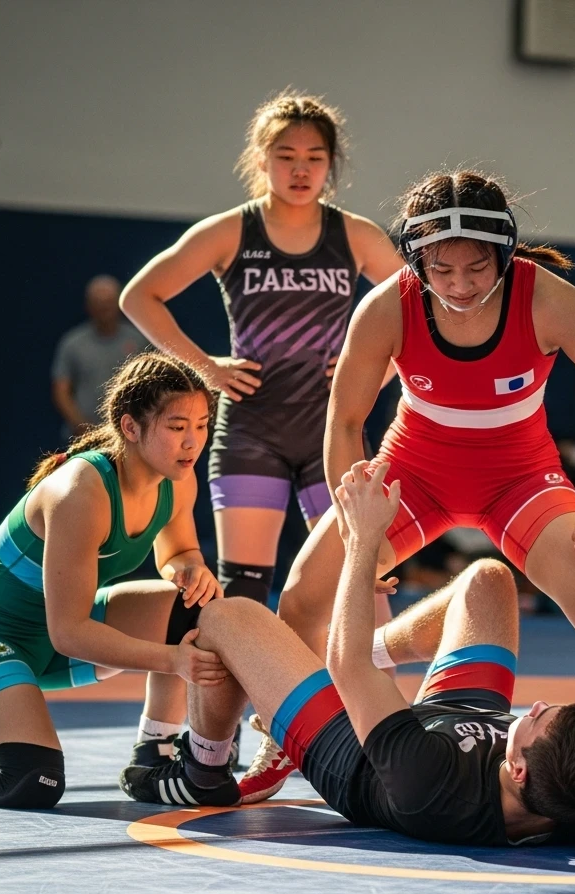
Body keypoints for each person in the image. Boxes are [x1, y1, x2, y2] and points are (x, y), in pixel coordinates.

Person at [241, 169, 575, 825]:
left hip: (519, 479)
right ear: (417, 260)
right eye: (443, 270)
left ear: (505, 254)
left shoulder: (545, 298)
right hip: (415, 472)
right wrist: (357, 529)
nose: (461, 285)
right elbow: (344, 421)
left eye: (476, 268)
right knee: (301, 594)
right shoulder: (388, 304)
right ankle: (275, 739)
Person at [121, 462, 575, 848]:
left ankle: (201, 769)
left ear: (516, 771)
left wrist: (363, 539)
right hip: (457, 719)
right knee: (489, 580)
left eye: (540, 720)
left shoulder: (427, 783)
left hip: (354, 752)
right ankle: (382, 657)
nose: (537, 705)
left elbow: (345, 664)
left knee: (226, 617)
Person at [120, 89, 402, 609]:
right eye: (286, 158)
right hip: (251, 430)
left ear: (331, 166)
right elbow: (138, 296)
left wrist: (377, 371)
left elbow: (421, 308)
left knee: (358, 582)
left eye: (315, 159)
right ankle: (249, 691)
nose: (301, 171)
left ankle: (374, 694)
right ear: (261, 160)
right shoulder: (231, 231)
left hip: (331, 432)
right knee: (244, 590)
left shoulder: (356, 236)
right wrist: (205, 368)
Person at [0, 354, 225, 809]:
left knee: (200, 610)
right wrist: (171, 659)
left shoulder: (177, 479)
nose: (192, 441)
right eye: (178, 426)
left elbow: (178, 552)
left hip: (59, 626)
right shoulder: (81, 490)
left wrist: (190, 567)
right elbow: (70, 632)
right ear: (131, 427)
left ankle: (153, 753)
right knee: (29, 781)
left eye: (201, 425)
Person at [51, 275, 146, 436]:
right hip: (81, 436)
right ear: (88, 305)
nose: (104, 309)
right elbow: (61, 391)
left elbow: (150, 386)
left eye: (108, 303)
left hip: (128, 434)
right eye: (99, 303)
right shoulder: (72, 343)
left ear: (118, 303)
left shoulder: (138, 340)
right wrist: (81, 425)